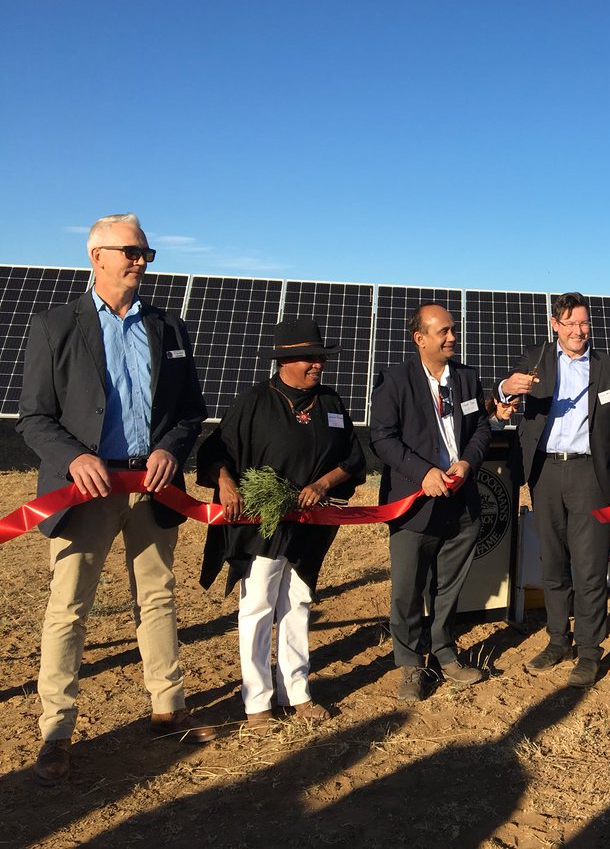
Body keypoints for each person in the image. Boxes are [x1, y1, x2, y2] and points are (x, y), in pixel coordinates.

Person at [17, 213, 212, 785]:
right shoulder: (55, 325)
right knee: (69, 607)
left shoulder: (168, 327)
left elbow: (190, 412)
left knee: (158, 596)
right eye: (131, 251)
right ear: (96, 256)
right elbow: (34, 417)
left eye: (146, 253)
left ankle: (168, 707)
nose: (141, 261)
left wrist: (171, 449)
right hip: (83, 490)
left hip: (152, 487)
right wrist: (74, 458)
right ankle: (56, 732)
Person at [197, 319, 366, 726]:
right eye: (310, 358)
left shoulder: (330, 402)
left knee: (298, 602)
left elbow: (353, 458)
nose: (318, 365)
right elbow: (214, 452)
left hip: (311, 523)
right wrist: (225, 483)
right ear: (284, 361)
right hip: (262, 524)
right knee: (258, 605)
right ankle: (257, 703)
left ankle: (297, 693)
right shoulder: (254, 401)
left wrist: (324, 484)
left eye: (320, 357)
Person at [499, 291, 610, 688]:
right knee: (553, 564)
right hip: (545, 472)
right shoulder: (535, 359)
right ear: (555, 325)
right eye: (569, 324)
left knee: (589, 567)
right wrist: (505, 389)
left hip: (591, 476)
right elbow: (507, 395)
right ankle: (557, 641)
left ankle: (588, 650)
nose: (578, 331)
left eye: (583, 323)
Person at [370, 304, 491, 701]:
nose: (452, 337)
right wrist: (423, 473)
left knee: (448, 586)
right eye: (443, 332)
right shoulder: (395, 380)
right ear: (420, 338)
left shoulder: (467, 379)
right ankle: (409, 663)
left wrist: (467, 463)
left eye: (453, 330)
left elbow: (480, 429)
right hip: (414, 502)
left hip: (460, 500)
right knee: (408, 588)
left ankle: (443, 651)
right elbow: (382, 438)